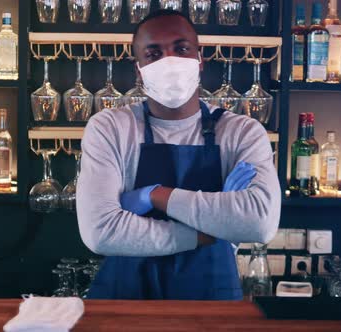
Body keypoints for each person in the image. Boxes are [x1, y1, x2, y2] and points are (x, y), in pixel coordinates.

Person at [76, 10, 281, 300]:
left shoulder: (242, 132)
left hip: (210, 304)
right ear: (139, 70)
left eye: (181, 49)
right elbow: (101, 232)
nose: (169, 61)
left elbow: (260, 223)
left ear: (200, 61)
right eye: (153, 53)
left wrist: (155, 195)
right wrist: (207, 233)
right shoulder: (111, 128)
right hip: (126, 301)